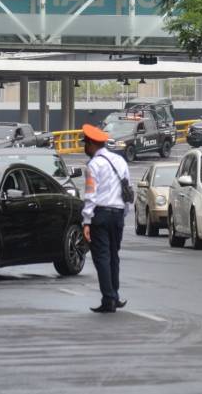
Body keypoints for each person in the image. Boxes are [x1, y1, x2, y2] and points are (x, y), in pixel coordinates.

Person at [81, 123, 130, 313]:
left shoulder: (93, 165)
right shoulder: (120, 161)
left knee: (101, 257)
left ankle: (108, 298)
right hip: (118, 215)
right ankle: (114, 295)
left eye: (86, 143)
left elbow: (90, 195)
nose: (85, 147)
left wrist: (86, 220)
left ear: (92, 144)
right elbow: (127, 191)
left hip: (100, 215)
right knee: (113, 257)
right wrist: (123, 213)